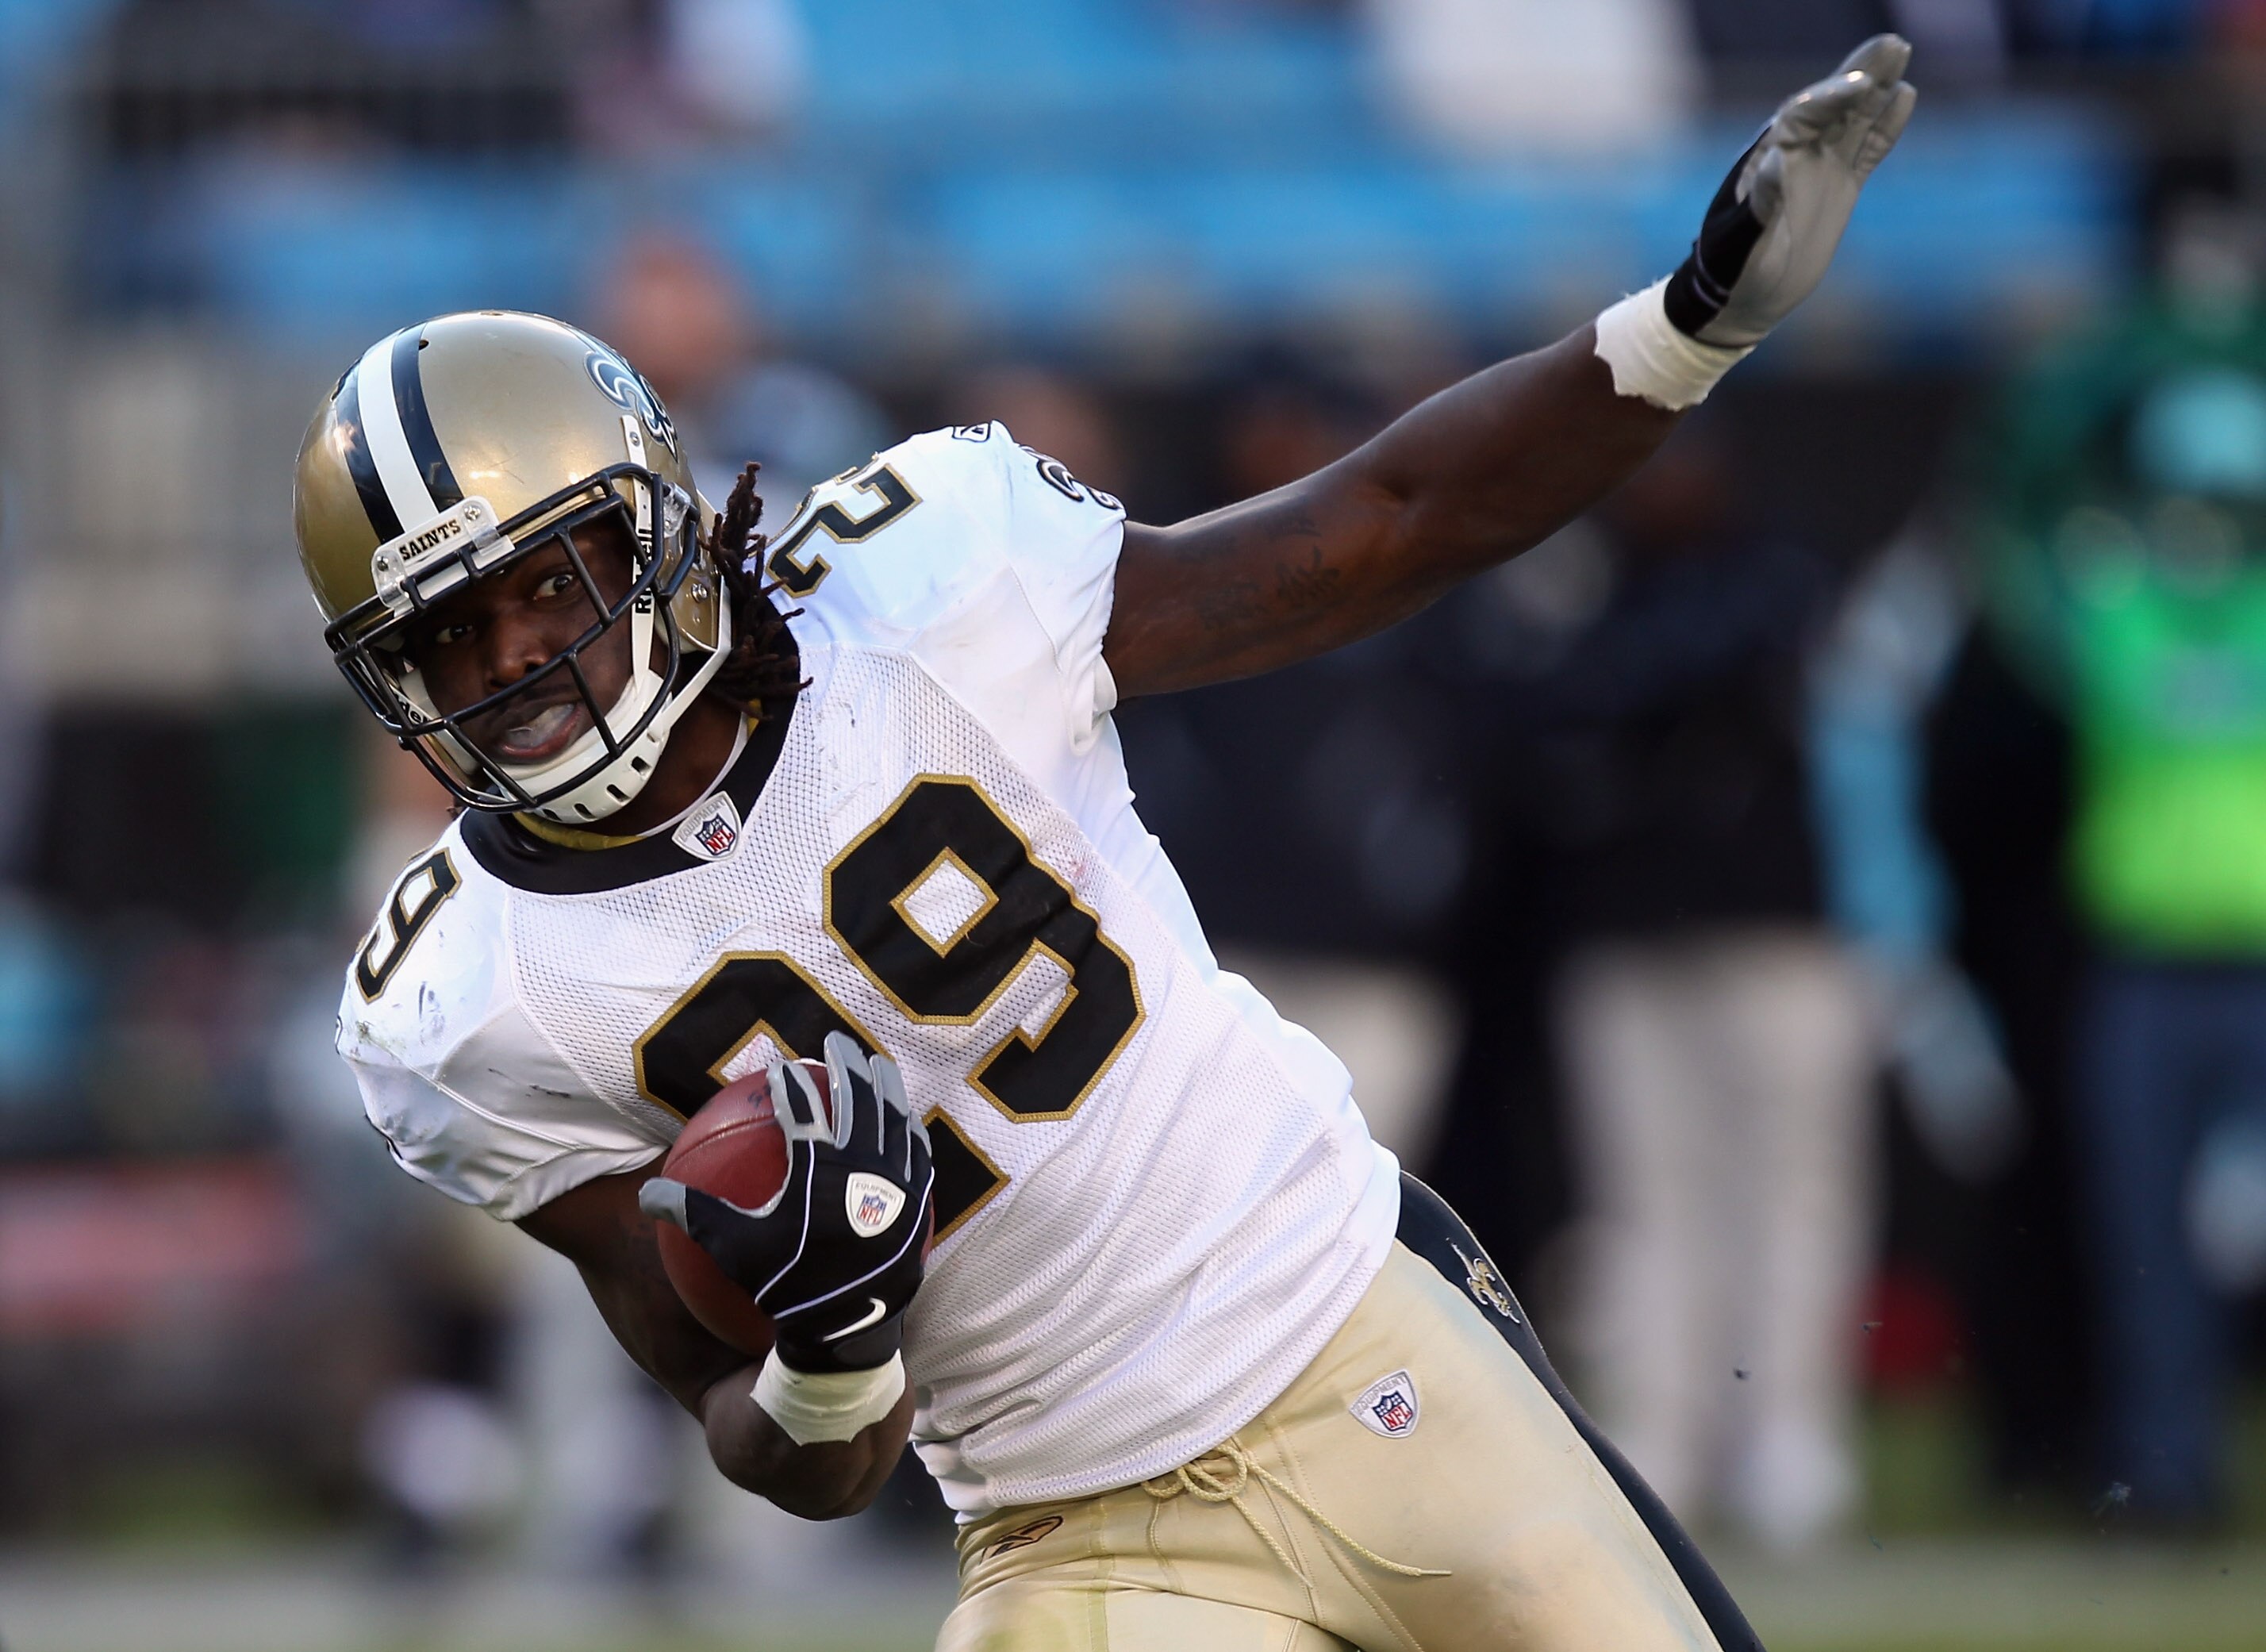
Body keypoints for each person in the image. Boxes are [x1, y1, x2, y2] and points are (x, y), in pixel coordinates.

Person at [298, 40, 1915, 1650]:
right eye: (445, 636)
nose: (511, 659)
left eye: (546, 584)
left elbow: (1386, 521)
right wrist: (831, 1337)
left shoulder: (927, 582)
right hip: (1078, 1543)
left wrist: (1694, 322)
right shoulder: (472, 1004)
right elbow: (769, 1437)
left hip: (1355, 1325)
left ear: (648, 527)